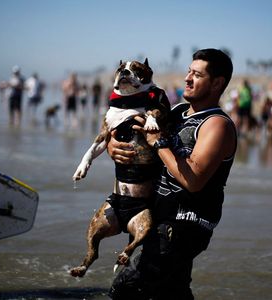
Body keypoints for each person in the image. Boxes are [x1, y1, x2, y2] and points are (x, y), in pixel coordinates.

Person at [107, 48, 237, 299]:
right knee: (172, 291)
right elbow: (130, 131)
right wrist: (113, 144)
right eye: (189, 71)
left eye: (197, 75)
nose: (187, 78)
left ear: (217, 83)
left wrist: (158, 142)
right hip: (158, 215)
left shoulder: (216, 125)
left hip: (184, 225)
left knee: (125, 289)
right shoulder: (176, 112)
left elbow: (194, 180)